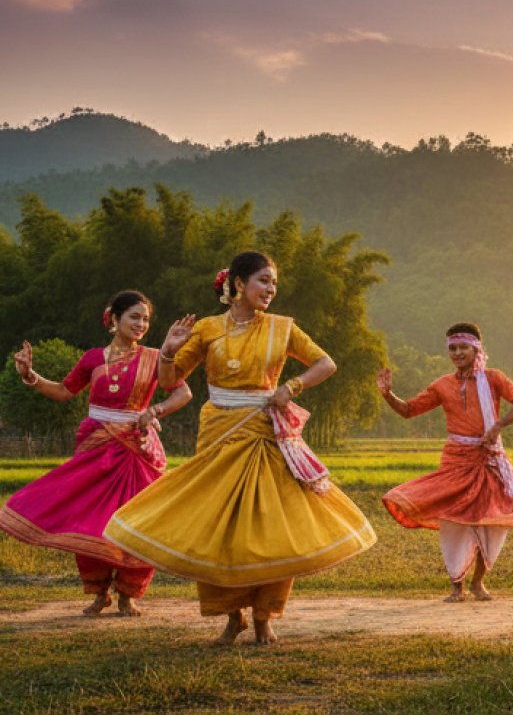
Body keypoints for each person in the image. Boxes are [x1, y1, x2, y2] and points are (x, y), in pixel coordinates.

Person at [105, 251, 376, 645]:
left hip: (264, 435)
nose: (270, 289)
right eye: (263, 281)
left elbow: (326, 363)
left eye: (274, 283)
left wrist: (291, 387)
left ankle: (265, 615)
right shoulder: (208, 329)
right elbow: (170, 379)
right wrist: (166, 349)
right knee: (218, 528)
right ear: (238, 283)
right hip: (218, 433)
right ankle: (232, 616)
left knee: (271, 526)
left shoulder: (282, 328)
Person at [1, 291, 192, 617]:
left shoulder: (155, 357)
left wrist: (155, 410)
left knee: (138, 523)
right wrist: (29, 376)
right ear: (113, 319)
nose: (141, 324)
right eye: (134, 316)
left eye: (145, 319)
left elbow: (183, 393)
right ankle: (100, 591)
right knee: (90, 520)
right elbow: (63, 392)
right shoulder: (92, 358)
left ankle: (129, 595)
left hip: (136, 451)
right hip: (96, 450)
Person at [379, 322, 513, 602]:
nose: (458, 353)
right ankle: (456, 586)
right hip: (455, 462)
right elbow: (408, 410)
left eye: (463, 347)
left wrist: (497, 426)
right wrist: (388, 395)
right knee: (454, 523)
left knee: (490, 523)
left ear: (477, 349)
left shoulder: (494, 378)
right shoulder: (442, 385)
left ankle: (478, 583)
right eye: (453, 348)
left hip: (487, 459)